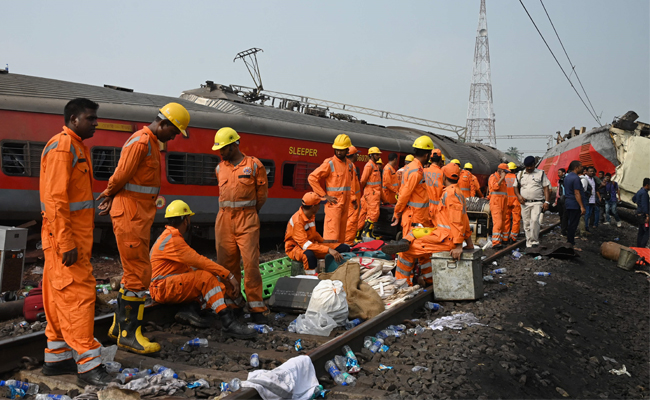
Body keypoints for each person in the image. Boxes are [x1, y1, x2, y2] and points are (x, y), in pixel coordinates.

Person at [98, 102, 190, 354]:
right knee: (139, 274)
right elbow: (121, 174)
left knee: (132, 273)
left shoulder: (150, 142)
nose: (173, 137)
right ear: (163, 124)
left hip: (137, 215)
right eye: (174, 131)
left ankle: (119, 328)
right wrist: (108, 193)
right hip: (130, 214)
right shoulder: (141, 142)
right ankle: (129, 336)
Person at [40, 98, 115, 386]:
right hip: (66, 240)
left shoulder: (74, 146)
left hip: (67, 238)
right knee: (77, 298)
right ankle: (87, 366)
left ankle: (56, 359)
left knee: (58, 297)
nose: (96, 123)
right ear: (74, 119)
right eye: (91, 118)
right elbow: (56, 201)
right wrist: (66, 242)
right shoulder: (63, 148)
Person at [149, 200, 256, 338]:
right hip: (163, 288)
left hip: (162, 286)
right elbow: (200, 261)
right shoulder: (173, 240)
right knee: (205, 278)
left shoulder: (168, 236)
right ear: (186, 220)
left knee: (201, 274)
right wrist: (228, 275)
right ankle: (228, 322)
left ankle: (191, 309)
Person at [211, 127, 269, 323]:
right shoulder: (220, 168)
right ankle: (233, 303)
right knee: (227, 265)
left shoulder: (254, 166)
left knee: (251, 265)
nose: (220, 153)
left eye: (224, 149)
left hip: (247, 219)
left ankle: (256, 308)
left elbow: (262, 196)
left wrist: (251, 212)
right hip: (224, 220)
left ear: (234, 145)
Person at [382, 163, 474, 285]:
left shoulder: (450, 194)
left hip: (446, 238)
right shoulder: (457, 192)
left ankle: (402, 284)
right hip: (442, 233)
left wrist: (458, 245)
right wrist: (469, 242)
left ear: (444, 177)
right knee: (414, 232)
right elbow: (465, 219)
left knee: (407, 252)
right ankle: (406, 243)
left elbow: (457, 221)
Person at [391, 136, 434, 283]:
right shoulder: (416, 171)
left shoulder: (410, 168)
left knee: (424, 249)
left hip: (417, 217)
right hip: (415, 219)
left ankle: (428, 280)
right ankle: (403, 282)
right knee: (408, 252)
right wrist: (397, 212)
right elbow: (405, 194)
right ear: (427, 155)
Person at [285, 192, 351, 271]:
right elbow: (305, 245)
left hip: (312, 245)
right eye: (319, 204)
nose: (320, 206)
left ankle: (334, 271)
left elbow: (313, 233)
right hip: (296, 248)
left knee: (344, 248)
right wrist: (328, 249)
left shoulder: (310, 215)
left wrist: (324, 241)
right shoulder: (297, 221)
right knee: (309, 255)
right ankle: (311, 277)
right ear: (313, 206)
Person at [308, 134, 354, 243]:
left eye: (341, 150)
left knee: (342, 235)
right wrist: (324, 196)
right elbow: (312, 178)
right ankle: (329, 257)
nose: (338, 152)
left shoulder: (350, 165)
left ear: (347, 150)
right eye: (337, 149)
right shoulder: (330, 163)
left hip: (345, 205)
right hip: (334, 205)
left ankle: (340, 255)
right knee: (331, 235)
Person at [514, 156, 551, 248]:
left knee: (534, 220)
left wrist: (547, 201)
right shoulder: (520, 174)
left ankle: (534, 241)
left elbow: (546, 187)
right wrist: (519, 196)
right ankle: (529, 242)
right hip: (524, 203)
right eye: (527, 166)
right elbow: (515, 187)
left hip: (537, 202)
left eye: (531, 166)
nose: (529, 168)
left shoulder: (541, 173)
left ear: (534, 164)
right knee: (526, 223)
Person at [358, 147, 383, 237]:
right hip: (371, 193)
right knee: (373, 212)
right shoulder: (369, 166)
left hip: (371, 193)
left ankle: (358, 234)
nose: (378, 156)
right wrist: (369, 189)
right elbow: (363, 180)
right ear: (371, 155)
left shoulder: (374, 166)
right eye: (377, 154)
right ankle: (367, 233)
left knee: (364, 213)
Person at [563, 161, 586, 247]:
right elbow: (577, 193)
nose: (582, 168)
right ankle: (571, 243)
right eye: (581, 167)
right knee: (573, 224)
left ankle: (570, 242)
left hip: (568, 202)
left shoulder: (567, 177)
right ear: (576, 167)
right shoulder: (576, 178)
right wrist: (582, 206)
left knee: (570, 223)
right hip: (574, 204)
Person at [488, 163, 509, 248]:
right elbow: (495, 187)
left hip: (503, 203)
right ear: (500, 170)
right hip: (496, 203)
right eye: (505, 171)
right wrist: (502, 178)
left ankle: (502, 240)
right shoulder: (493, 177)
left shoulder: (502, 179)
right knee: (498, 223)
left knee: (503, 222)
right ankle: (496, 242)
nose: (506, 173)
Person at [344, 146, 361, 244]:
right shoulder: (351, 166)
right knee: (352, 221)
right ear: (353, 155)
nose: (358, 156)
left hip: (351, 199)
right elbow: (352, 184)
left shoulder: (348, 165)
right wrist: (354, 199)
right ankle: (348, 242)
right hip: (352, 200)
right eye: (357, 154)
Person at [424, 149, 444, 224]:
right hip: (437, 208)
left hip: (424, 207)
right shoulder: (442, 173)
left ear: (430, 159)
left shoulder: (424, 171)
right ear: (440, 160)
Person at [504, 162, 522, 243]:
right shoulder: (517, 177)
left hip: (506, 201)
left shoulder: (503, 177)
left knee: (506, 219)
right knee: (516, 220)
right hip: (516, 201)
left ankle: (505, 237)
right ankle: (513, 237)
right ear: (514, 170)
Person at [581, 166, 600, 232]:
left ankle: (587, 226)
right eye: (590, 171)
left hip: (592, 199)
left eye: (593, 171)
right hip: (587, 199)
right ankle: (586, 228)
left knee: (589, 214)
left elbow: (595, 189)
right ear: (587, 172)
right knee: (587, 213)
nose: (592, 172)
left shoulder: (593, 179)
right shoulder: (585, 179)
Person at [632, 178, 650, 247]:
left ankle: (638, 246)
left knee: (641, 231)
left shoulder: (639, 191)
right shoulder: (645, 194)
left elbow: (634, 199)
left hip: (638, 214)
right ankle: (642, 247)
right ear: (647, 185)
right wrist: (647, 216)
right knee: (646, 232)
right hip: (643, 216)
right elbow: (645, 205)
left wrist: (638, 204)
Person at [553, 168, 568, 236]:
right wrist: (556, 200)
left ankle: (564, 230)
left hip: (564, 198)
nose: (558, 174)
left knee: (564, 215)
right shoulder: (559, 180)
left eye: (560, 172)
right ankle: (563, 228)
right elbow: (558, 190)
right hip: (560, 199)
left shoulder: (566, 179)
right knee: (561, 215)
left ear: (564, 173)